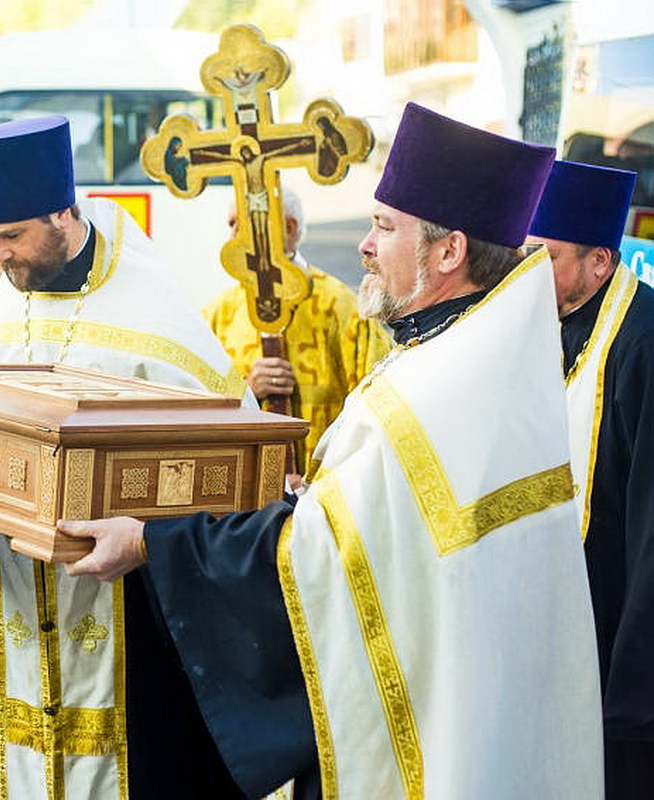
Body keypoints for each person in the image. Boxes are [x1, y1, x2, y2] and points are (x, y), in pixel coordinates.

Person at [56, 103, 605, 798]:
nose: (366, 246)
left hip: (428, 721)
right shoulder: (464, 356)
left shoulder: (440, 389)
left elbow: (318, 552)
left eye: (383, 226)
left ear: (449, 251)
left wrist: (151, 544)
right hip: (458, 703)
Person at [0, 116, 249, 799]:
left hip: (132, 606)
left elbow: (231, 468)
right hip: (11, 599)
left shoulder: (156, 318)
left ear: (65, 214)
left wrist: (152, 533)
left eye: (11, 237)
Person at [526, 160, 651, 800]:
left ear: (600, 263)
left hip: (620, 643)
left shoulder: (643, 341)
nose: (525, 272)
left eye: (542, 256)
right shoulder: (549, 324)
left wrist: (633, 688)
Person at [204, 186, 392, 476]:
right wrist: (247, 393)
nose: (232, 237)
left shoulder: (344, 308)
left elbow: (380, 413)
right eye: (231, 224)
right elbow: (195, 413)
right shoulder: (218, 314)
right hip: (240, 493)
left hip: (325, 491)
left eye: (243, 224)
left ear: (288, 228)